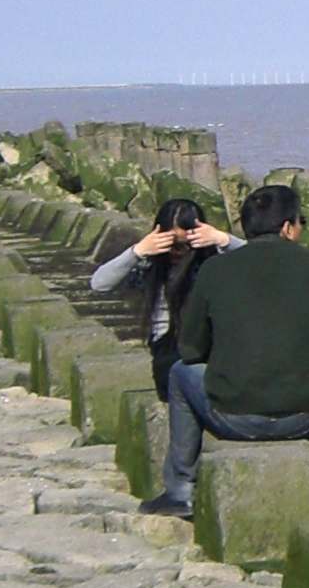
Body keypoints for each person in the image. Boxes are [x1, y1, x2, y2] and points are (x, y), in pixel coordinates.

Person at [165, 182, 309, 472]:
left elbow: (190, 348)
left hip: (235, 418)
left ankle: (181, 486)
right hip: (305, 418)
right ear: (287, 228)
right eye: (300, 222)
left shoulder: (215, 269)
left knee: (180, 373)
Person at [94, 197, 238, 515]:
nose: (177, 252)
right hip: (170, 362)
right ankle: (182, 489)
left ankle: (181, 490)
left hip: (213, 360)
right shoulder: (150, 268)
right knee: (177, 370)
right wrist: (138, 251)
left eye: (185, 243)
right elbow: (99, 283)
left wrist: (224, 240)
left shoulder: (216, 266)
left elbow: (268, 264)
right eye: (171, 243)